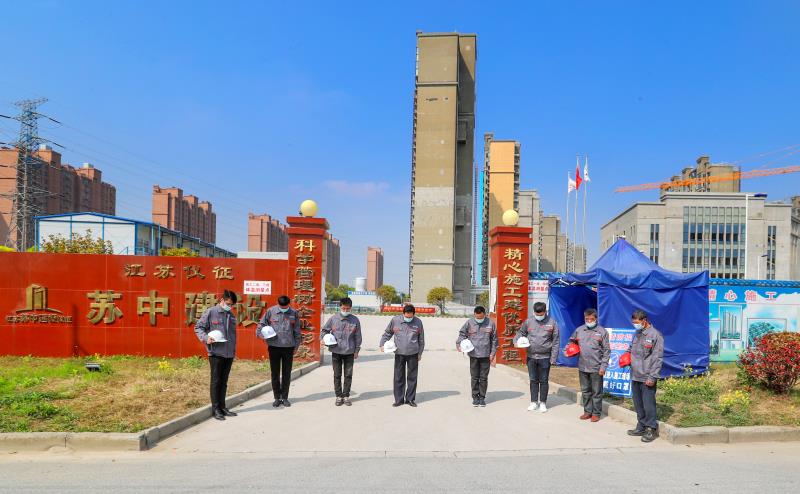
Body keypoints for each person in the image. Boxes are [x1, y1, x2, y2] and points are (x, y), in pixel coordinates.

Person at [194, 290, 239, 421]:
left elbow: (232, 335)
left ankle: (223, 407)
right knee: (216, 381)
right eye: (228, 304)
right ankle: (216, 409)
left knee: (224, 382)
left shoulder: (231, 315)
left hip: (229, 353)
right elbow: (198, 327)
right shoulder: (211, 312)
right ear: (222, 300)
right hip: (215, 352)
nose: (230, 306)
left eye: (232, 305)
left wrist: (233, 351)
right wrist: (205, 338)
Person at [514, 302, 560, 413]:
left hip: (545, 357)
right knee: (533, 380)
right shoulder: (528, 322)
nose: (539, 316)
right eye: (536, 314)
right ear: (534, 312)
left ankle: (543, 403)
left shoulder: (552, 323)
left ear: (545, 312)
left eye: (541, 314)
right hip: (531, 356)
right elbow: (520, 333)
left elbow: (556, 341)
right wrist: (516, 341)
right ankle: (534, 402)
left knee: (544, 380)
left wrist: (553, 358)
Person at [627, 309, 664, 443]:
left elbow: (658, 358)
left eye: (637, 322)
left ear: (644, 321)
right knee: (638, 403)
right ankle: (641, 426)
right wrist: (626, 355)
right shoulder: (637, 333)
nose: (635, 325)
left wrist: (652, 377)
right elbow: (630, 349)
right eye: (633, 322)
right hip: (635, 374)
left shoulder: (655, 335)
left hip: (647, 376)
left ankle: (651, 429)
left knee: (648, 405)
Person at [257, 295, 301, 408]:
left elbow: (297, 331)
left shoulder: (294, 313)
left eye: (285, 307)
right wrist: (262, 335)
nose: (283, 309)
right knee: (275, 373)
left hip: (288, 348)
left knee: (286, 373)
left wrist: (296, 347)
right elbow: (261, 325)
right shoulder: (270, 311)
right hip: (274, 347)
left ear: (289, 304)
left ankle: (285, 397)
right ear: (278, 303)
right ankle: (277, 397)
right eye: (281, 307)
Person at [567, 308, 610, 422]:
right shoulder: (579, 330)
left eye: (591, 319)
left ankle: (596, 413)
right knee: (585, 391)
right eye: (587, 319)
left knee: (596, 392)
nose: (589, 321)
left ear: (596, 319)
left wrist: (603, 367)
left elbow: (607, 351)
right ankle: (587, 411)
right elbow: (571, 342)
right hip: (583, 366)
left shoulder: (602, 332)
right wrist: (569, 350)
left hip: (596, 367)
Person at [380, 304, 424, 407]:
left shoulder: (418, 322)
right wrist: (382, 344)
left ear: (413, 314)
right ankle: (399, 399)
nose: (408, 318)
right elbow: (387, 333)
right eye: (407, 316)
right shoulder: (395, 320)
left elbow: (421, 339)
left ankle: (410, 399)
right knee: (398, 377)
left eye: (410, 317)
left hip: (413, 353)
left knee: (412, 377)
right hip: (399, 353)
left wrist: (420, 353)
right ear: (403, 313)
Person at [320, 297, 362, 406]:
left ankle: (346, 396)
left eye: (348, 309)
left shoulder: (355, 320)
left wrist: (357, 350)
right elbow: (324, 330)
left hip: (349, 352)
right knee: (337, 374)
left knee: (348, 375)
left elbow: (358, 337)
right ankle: (339, 396)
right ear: (340, 307)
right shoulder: (333, 319)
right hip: (336, 351)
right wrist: (323, 339)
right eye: (343, 308)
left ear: (351, 308)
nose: (345, 310)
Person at [456, 306, 498, 407]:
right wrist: (459, 344)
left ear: (485, 314)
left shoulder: (490, 323)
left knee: (483, 378)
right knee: (474, 377)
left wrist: (492, 353)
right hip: (473, 354)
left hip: (485, 355)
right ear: (474, 314)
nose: (479, 319)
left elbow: (494, 340)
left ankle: (482, 398)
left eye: (481, 317)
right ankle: (475, 397)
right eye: (477, 317)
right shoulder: (469, 322)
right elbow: (462, 334)